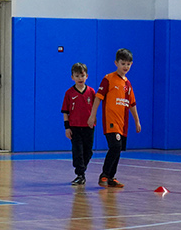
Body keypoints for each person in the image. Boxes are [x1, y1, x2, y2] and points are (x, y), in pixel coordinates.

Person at [96, 48, 141, 188]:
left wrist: (137, 121)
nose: (125, 67)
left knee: (118, 149)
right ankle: (104, 175)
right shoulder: (108, 79)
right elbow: (98, 97)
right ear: (116, 63)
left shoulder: (128, 84)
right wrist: (92, 115)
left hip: (123, 123)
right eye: (123, 63)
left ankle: (111, 177)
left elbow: (132, 104)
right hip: (111, 121)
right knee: (114, 146)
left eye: (128, 64)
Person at [60, 63, 97, 185]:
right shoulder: (69, 93)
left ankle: (82, 169)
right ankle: (80, 174)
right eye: (77, 76)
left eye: (82, 75)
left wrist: (93, 117)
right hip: (75, 127)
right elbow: (65, 112)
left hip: (88, 127)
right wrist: (67, 128)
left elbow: (95, 107)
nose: (80, 78)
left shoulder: (91, 92)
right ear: (72, 77)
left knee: (88, 151)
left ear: (87, 76)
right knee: (78, 151)